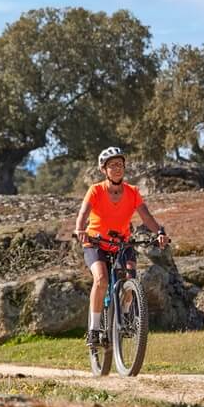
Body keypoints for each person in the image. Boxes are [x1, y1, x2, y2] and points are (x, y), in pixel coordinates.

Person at [73, 146, 169, 347]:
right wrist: (80, 230)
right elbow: (83, 215)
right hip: (95, 242)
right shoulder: (96, 190)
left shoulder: (132, 192)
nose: (117, 168)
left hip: (121, 243)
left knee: (130, 277)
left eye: (120, 164)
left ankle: (125, 317)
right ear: (103, 169)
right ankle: (94, 329)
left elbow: (146, 217)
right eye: (112, 165)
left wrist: (159, 232)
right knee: (101, 279)